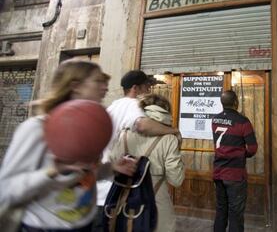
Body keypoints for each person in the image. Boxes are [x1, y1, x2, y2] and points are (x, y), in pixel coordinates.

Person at [0, 60, 137, 231]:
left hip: (83, 224)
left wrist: (111, 169)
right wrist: (51, 172)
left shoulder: (89, 127)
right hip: (43, 227)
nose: (106, 88)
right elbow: (6, 189)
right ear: (75, 86)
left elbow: (84, 173)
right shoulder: (37, 128)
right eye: (98, 81)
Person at [95, 70, 181, 230]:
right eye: (147, 87)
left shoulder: (112, 107)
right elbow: (143, 125)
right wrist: (173, 131)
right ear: (135, 88)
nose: (149, 91)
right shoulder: (133, 105)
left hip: (109, 189)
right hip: (123, 189)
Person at [109, 93, 185, 232]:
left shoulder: (124, 133)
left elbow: (112, 167)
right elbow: (176, 180)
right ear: (166, 112)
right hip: (157, 208)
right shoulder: (169, 138)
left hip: (124, 205)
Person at [212, 90, 258, 232]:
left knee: (221, 210)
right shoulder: (243, 122)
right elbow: (252, 148)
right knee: (236, 213)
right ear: (236, 102)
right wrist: (240, 153)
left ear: (222, 103)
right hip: (235, 176)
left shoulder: (214, 120)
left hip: (218, 173)